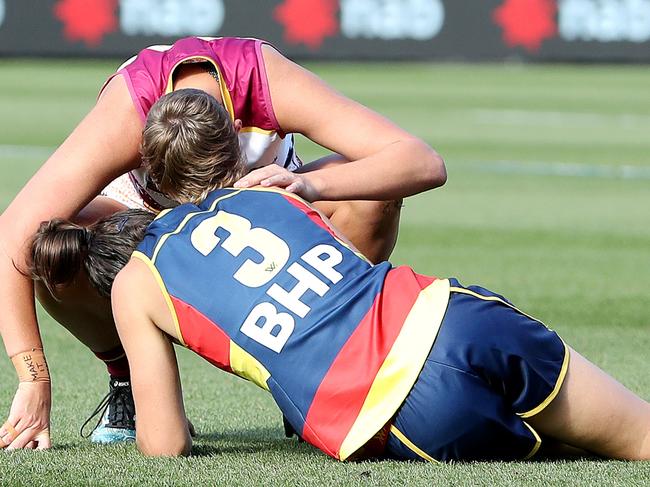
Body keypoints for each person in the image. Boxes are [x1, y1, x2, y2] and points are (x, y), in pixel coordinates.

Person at [0, 36, 446, 448]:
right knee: (56, 243)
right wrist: (33, 378)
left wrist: (308, 187)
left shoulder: (268, 81)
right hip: (155, 228)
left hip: (273, 218)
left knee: (371, 193)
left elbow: (420, 160)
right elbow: (13, 231)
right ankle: (127, 381)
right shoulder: (125, 115)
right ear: (142, 155)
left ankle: (326, 359)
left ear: (236, 127)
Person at [21, 187, 650, 462]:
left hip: (397, 405)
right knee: (636, 439)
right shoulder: (258, 195)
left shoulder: (134, 283)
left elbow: (164, 447)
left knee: (574, 449)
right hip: (453, 311)